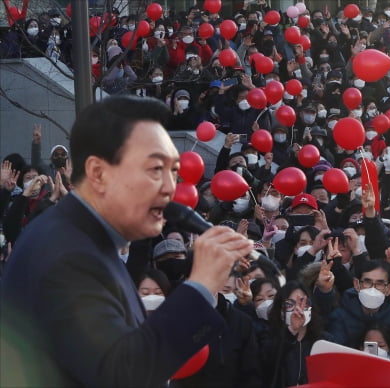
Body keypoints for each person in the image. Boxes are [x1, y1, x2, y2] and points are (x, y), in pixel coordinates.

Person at [0, 96, 254, 387]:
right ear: (98, 173)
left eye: (174, 172)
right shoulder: (66, 252)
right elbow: (121, 373)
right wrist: (201, 284)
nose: (171, 188)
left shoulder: (87, 242)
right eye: (155, 170)